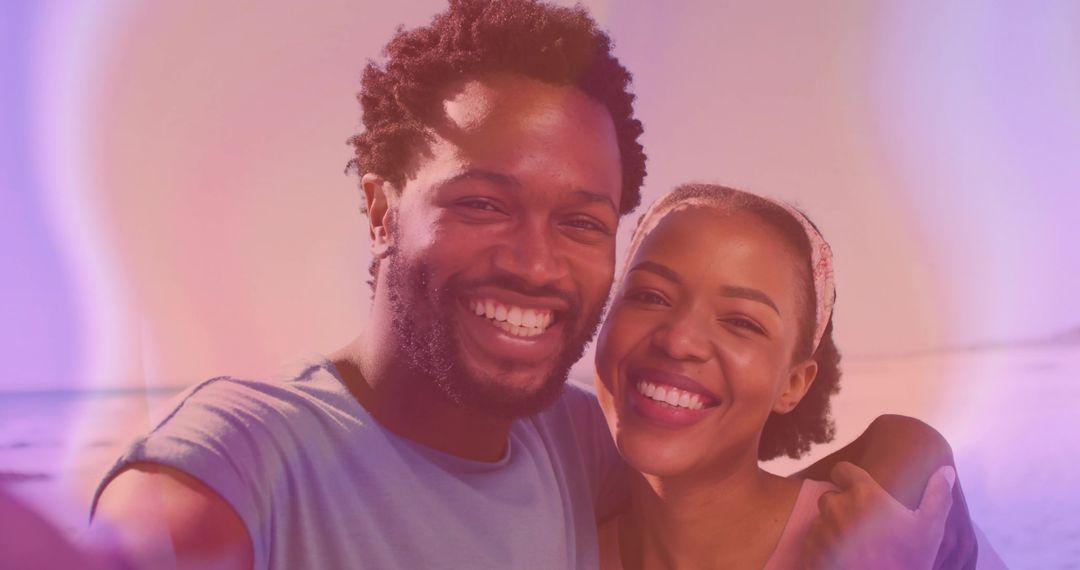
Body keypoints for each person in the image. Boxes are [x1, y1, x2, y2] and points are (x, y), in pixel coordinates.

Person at [86, 1, 977, 568]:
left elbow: (758, 505)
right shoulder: (250, 457)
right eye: (483, 202)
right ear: (379, 207)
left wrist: (910, 466)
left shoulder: (573, 441)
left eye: (583, 222)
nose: (536, 264)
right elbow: (149, 532)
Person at [594, 184, 958, 569]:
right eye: (650, 296)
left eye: (740, 322)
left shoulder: (897, 536)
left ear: (794, 385)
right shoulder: (561, 549)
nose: (679, 340)